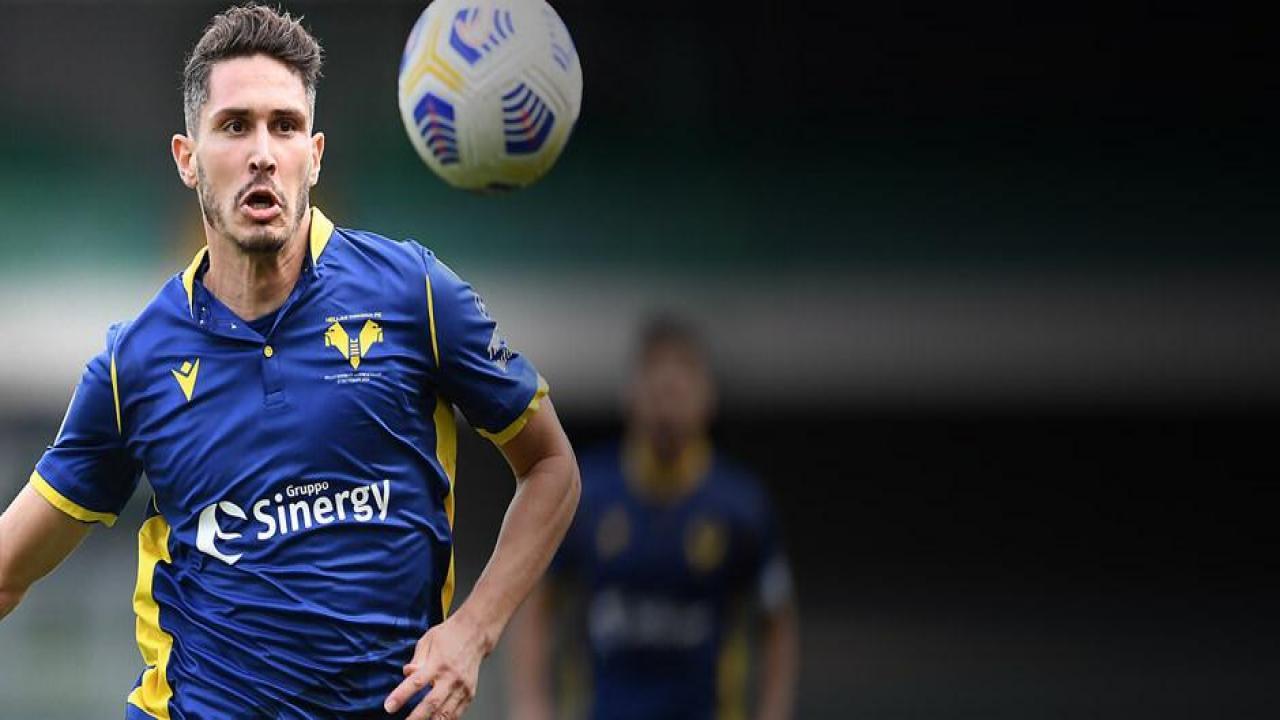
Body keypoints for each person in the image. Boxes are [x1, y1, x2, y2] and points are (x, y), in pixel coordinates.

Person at [0, 5, 580, 719]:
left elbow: (551, 467)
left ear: (315, 154)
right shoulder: (136, 363)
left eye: (285, 125)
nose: (263, 153)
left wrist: (474, 630)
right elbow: (7, 569)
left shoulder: (414, 295)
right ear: (187, 158)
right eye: (234, 126)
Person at [507, 316, 799, 720]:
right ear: (630, 393)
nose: (667, 397)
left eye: (681, 383)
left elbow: (777, 618)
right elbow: (537, 599)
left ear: (708, 396)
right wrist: (531, 705)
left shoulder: (741, 505)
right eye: (655, 382)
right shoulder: (585, 493)